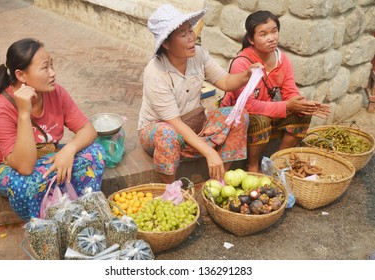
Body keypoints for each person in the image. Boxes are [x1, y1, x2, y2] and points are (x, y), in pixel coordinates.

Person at [0, 38, 106, 220]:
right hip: (8, 168)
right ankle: (44, 226)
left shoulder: (56, 92)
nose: (53, 73)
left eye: (52, 65)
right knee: (28, 183)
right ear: (21, 75)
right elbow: (24, 167)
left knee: (95, 152)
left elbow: (88, 130)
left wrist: (69, 150)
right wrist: (24, 114)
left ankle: (81, 214)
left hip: (46, 158)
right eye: (45, 68)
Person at [138, 4, 263, 184]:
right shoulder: (156, 73)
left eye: (191, 31)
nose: (192, 38)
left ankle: (220, 179)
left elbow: (226, 82)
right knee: (167, 134)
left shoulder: (199, 55)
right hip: (161, 128)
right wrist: (209, 152)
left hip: (196, 122)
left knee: (239, 116)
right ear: (166, 43)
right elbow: (175, 123)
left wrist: (247, 74)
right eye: (183, 35)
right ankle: (170, 188)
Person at [220, 10, 331, 173]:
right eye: (263, 34)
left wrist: (301, 104)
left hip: (267, 109)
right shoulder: (242, 63)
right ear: (251, 39)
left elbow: (290, 90)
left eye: (274, 31)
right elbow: (248, 106)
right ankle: (253, 165)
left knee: (302, 114)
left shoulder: (281, 59)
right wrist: (287, 106)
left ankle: (276, 162)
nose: (271, 38)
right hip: (240, 116)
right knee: (260, 121)